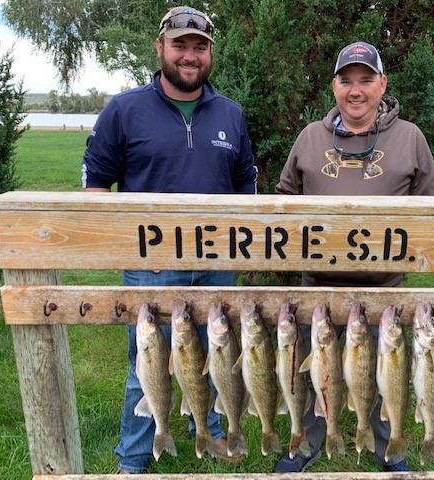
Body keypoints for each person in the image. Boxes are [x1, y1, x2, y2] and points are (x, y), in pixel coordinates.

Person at [81, 5, 257, 474]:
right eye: (180, 45)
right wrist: (127, 245)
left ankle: (212, 429)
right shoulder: (125, 109)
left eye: (200, 47)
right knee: (148, 361)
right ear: (160, 47)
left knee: (219, 352)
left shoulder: (230, 113)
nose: (189, 56)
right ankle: (135, 457)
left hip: (218, 259)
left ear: (210, 54)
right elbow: (96, 185)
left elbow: (246, 186)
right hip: (153, 264)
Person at [274, 41, 434, 473]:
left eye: (365, 80)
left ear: (382, 84)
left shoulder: (410, 137)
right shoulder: (310, 137)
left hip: (383, 290)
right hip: (319, 287)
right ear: (334, 86)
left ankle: (391, 445)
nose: (356, 90)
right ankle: (306, 442)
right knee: (311, 371)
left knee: (387, 371)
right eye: (346, 80)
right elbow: (283, 203)